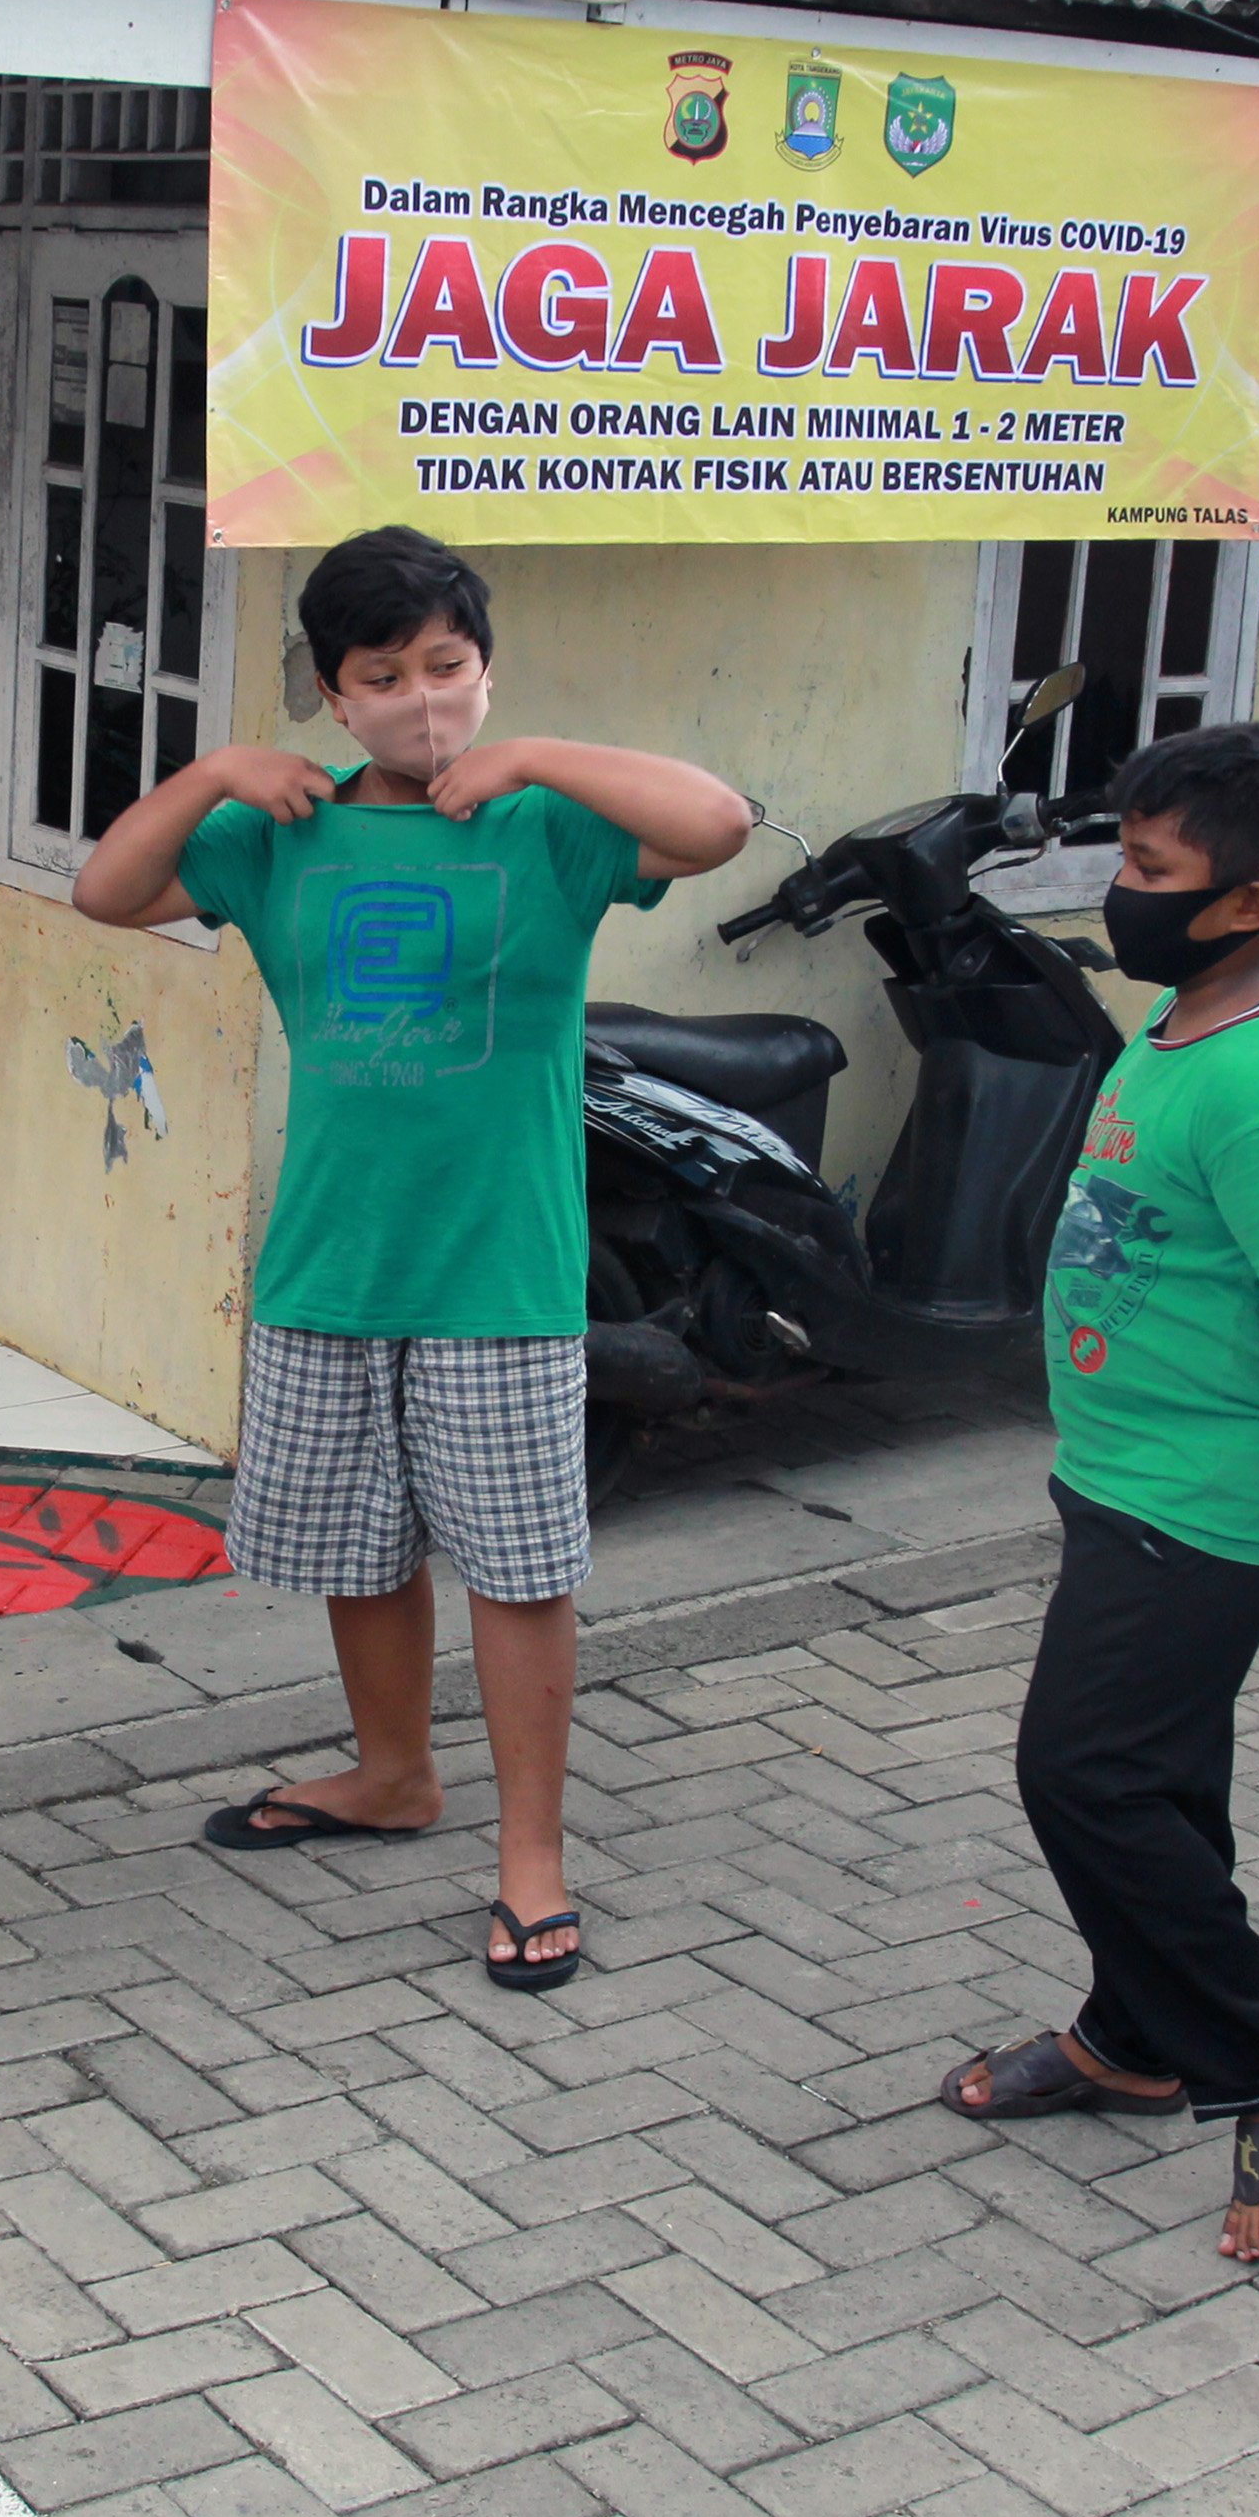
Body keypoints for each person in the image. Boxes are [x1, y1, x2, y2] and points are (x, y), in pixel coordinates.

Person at [72, 527, 751, 1990]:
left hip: (499, 1269)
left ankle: (532, 1859)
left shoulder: (547, 827)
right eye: (382, 676)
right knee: (358, 1547)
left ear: (486, 669)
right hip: (332, 1260)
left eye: (448, 666)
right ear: (334, 694)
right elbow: (107, 892)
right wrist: (213, 773)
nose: (421, 699)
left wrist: (537, 756)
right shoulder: (283, 834)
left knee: (518, 1570)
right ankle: (392, 1778)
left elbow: (717, 824)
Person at [938, 724, 1259, 2267]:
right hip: (1131, 1472)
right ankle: (1133, 2037)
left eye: (1151, 868)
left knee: (1082, 1773)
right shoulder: (1183, 1018)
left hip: (1215, 1505)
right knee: (1159, 1776)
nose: (1120, 887)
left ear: (1245, 902)